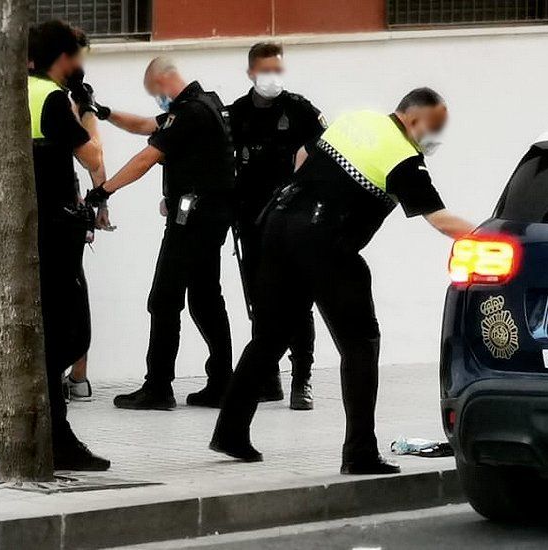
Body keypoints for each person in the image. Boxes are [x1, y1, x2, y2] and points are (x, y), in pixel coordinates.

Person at [209, 88, 476, 474]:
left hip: (278, 226)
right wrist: (494, 235)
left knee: (269, 337)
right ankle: (359, 453)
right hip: (325, 243)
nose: (435, 135)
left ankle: (230, 432)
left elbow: (302, 155)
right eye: (435, 125)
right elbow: (439, 218)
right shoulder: (403, 157)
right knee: (360, 344)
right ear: (415, 119)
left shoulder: (356, 118)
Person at [85, 57, 235, 410]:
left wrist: (103, 190)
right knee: (205, 298)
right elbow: (144, 125)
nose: (157, 99)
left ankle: (158, 388)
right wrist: (104, 113)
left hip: (192, 221)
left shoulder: (190, 114)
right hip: (211, 217)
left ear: (165, 81)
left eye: (155, 92)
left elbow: (145, 157)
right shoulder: (203, 104)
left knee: (164, 299)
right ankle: (222, 382)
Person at [28, 19, 110, 471]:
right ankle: (58, 437)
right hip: (57, 231)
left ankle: (53, 433)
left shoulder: (16, 90)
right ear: (64, 59)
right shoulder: (54, 98)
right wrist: (89, 110)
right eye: (78, 57)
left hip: (30, 229)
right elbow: (93, 154)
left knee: (48, 328)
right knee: (70, 331)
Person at [229, 42, 327, 410]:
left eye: (277, 69)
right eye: (265, 69)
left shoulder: (300, 109)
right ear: (251, 72)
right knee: (260, 299)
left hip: (293, 220)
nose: (272, 77)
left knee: (298, 301)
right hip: (252, 222)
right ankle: (267, 377)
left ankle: (302, 376)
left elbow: (326, 145)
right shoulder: (237, 113)